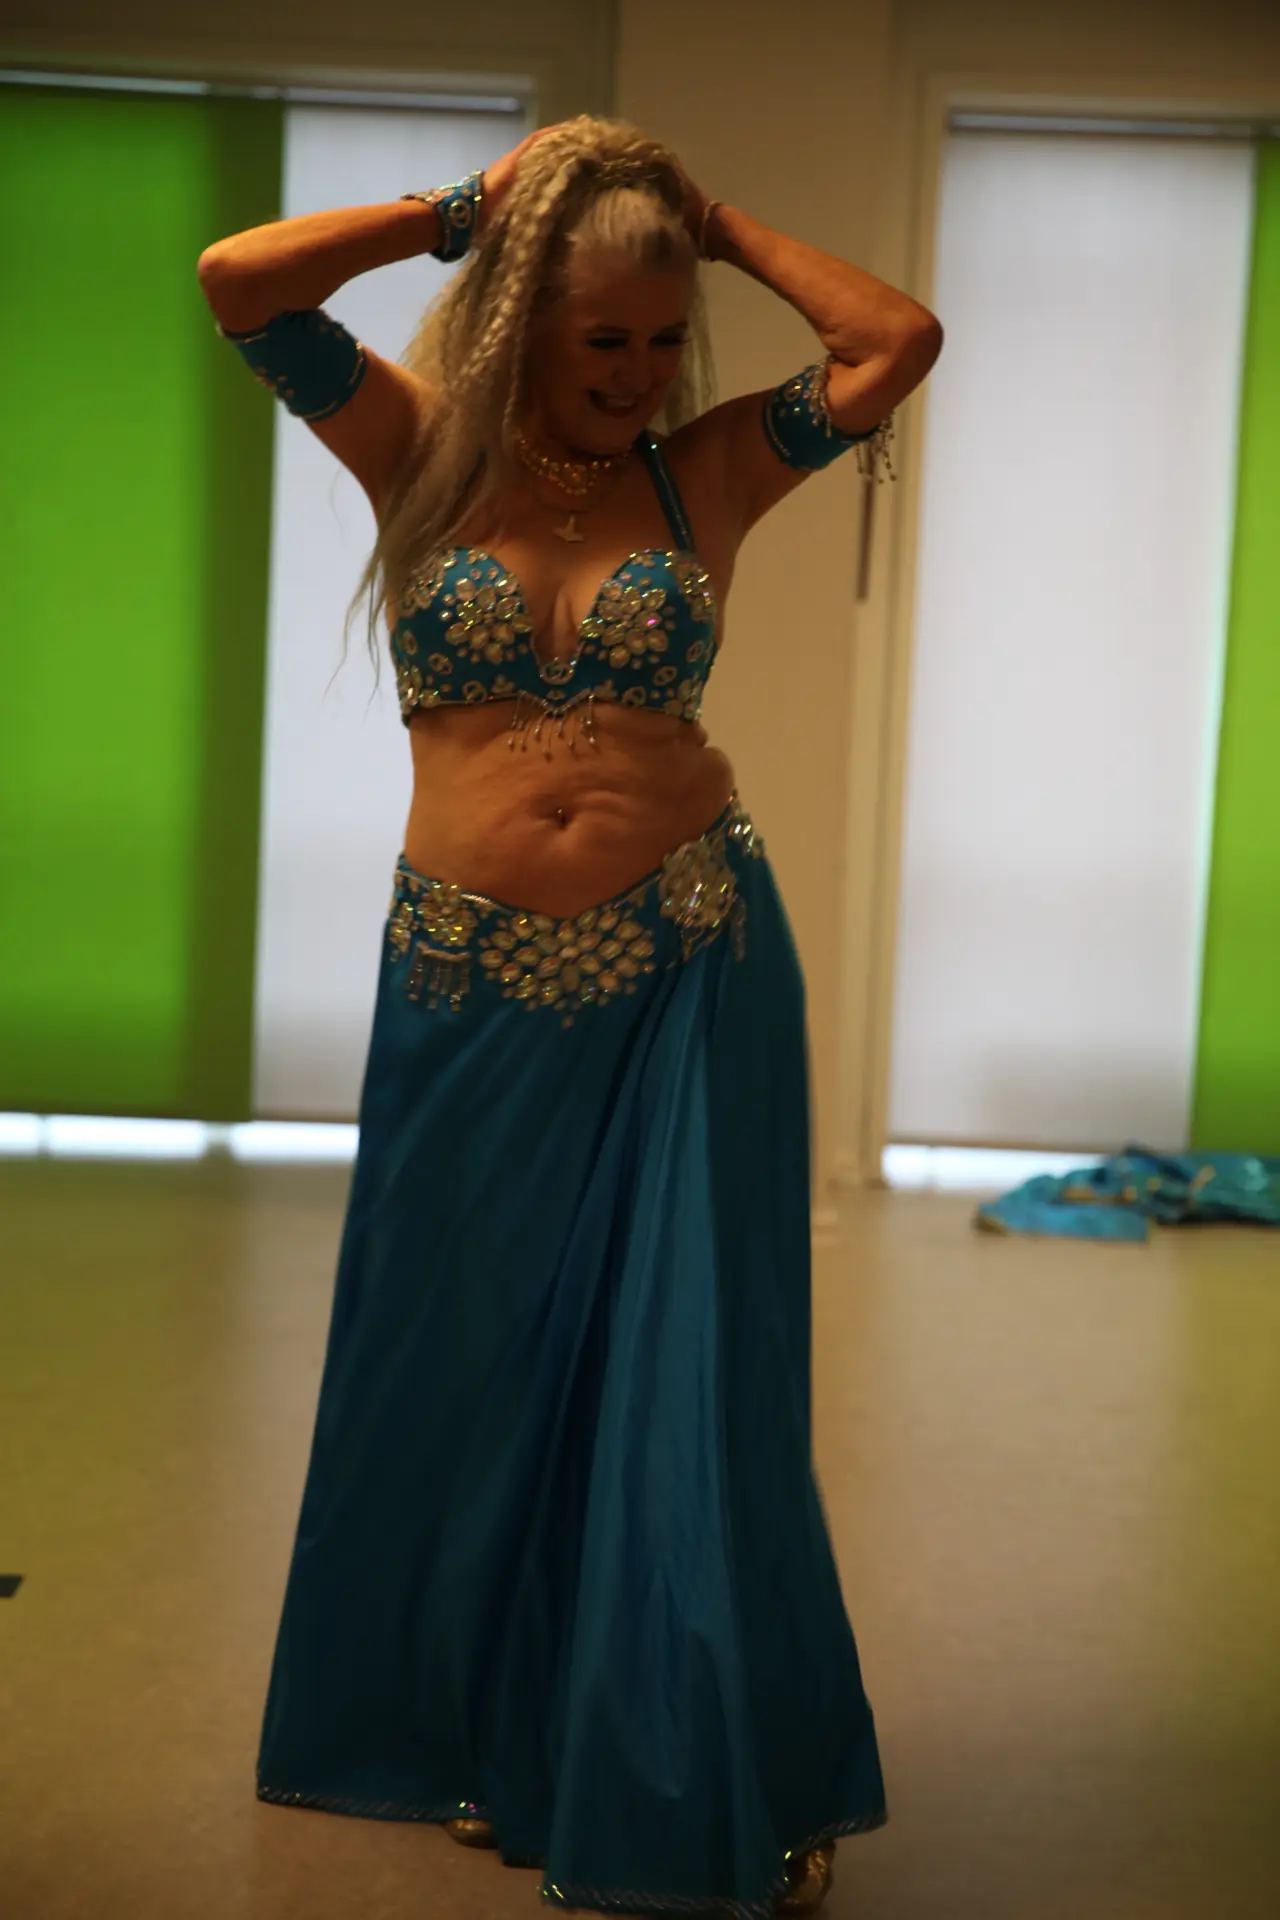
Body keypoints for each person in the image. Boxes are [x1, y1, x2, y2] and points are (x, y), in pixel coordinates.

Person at [197, 114, 942, 1920]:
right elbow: (240, 283)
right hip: (465, 977)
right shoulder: (416, 450)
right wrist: (471, 208)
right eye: (603, 336)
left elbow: (892, 341)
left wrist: (712, 221)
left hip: (691, 960)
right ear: (525, 317)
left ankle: (704, 1754)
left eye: (664, 337)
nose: (638, 371)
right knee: (460, 1360)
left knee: (690, 1369)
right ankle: (495, 1724)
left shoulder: (708, 475)